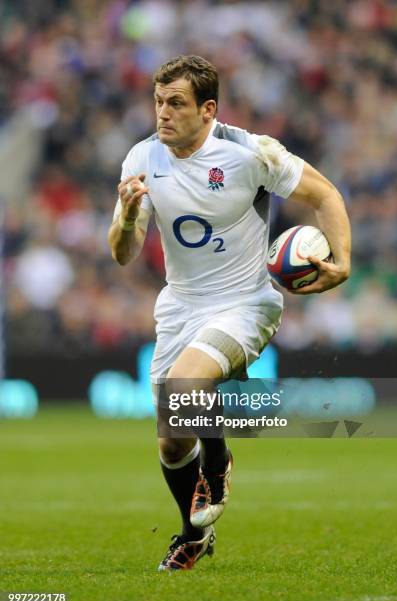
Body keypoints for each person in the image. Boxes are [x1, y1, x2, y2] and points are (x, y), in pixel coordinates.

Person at [108, 55, 351, 571]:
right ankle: (192, 535)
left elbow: (324, 193)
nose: (163, 114)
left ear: (208, 109)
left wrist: (343, 261)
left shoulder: (250, 152)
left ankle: (217, 463)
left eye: (176, 103)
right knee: (174, 441)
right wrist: (129, 215)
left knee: (185, 389)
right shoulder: (141, 158)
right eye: (158, 102)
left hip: (245, 302)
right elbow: (123, 252)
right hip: (180, 306)